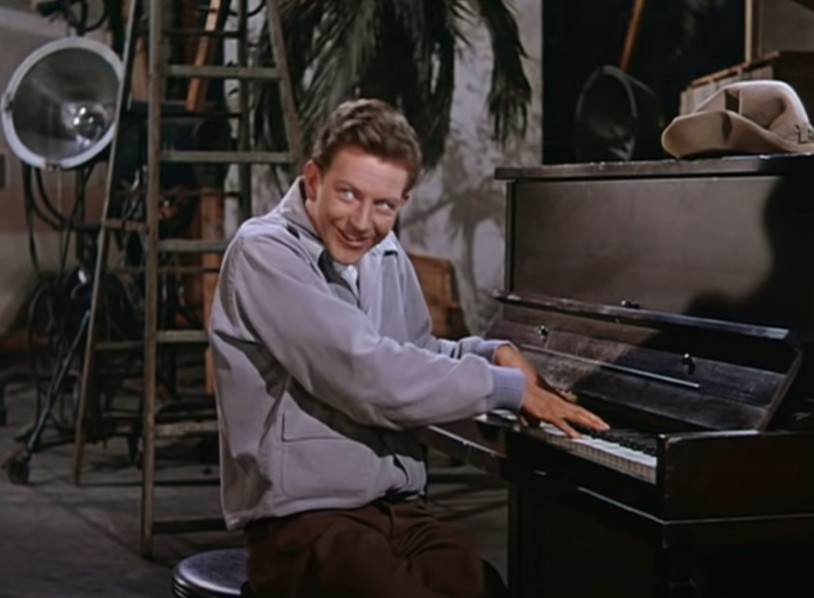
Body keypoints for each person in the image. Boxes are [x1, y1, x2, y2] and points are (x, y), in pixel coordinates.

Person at [209, 98, 608, 598]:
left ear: (403, 202)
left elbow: (414, 349)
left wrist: (490, 354)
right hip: (304, 521)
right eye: (348, 194)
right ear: (313, 180)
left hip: (398, 513)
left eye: (384, 205)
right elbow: (365, 373)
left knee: (486, 588)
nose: (362, 221)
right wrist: (503, 388)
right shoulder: (264, 252)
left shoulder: (383, 251)